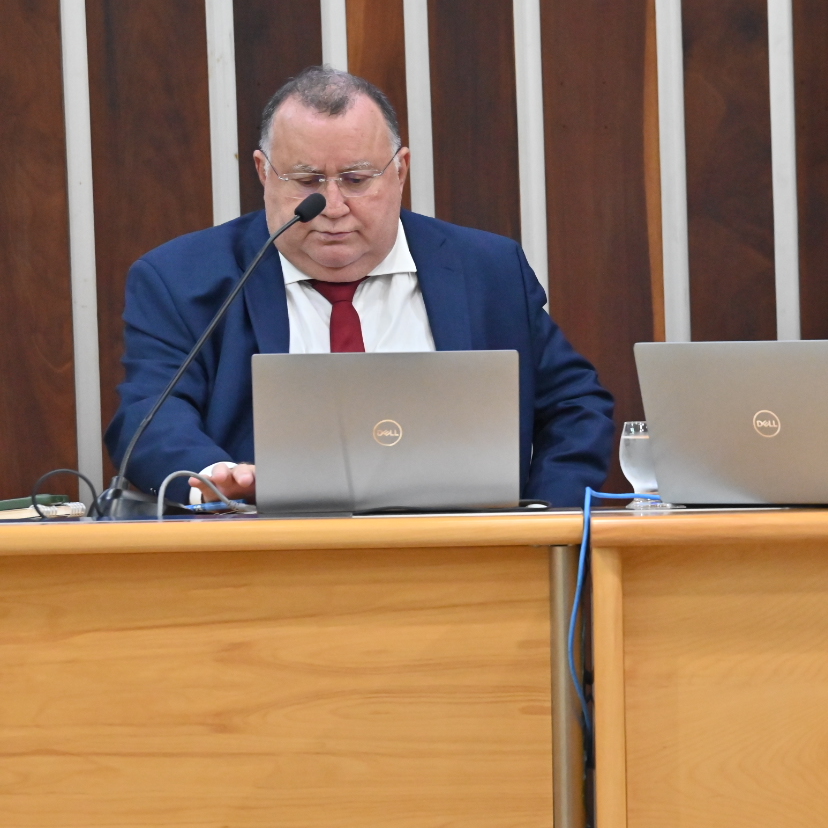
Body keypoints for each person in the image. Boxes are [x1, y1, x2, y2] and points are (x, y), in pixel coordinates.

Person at [105, 66, 614, 508]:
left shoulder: (487, 271)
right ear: (264, 172)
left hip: (461, 552)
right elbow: (150, 417)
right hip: (261, 553)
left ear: (400, 171)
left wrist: (545, 519)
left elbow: (575, 406)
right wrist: (213, 478)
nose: (332, 206)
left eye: (355, 179)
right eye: (307, 181)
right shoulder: (181, 279)